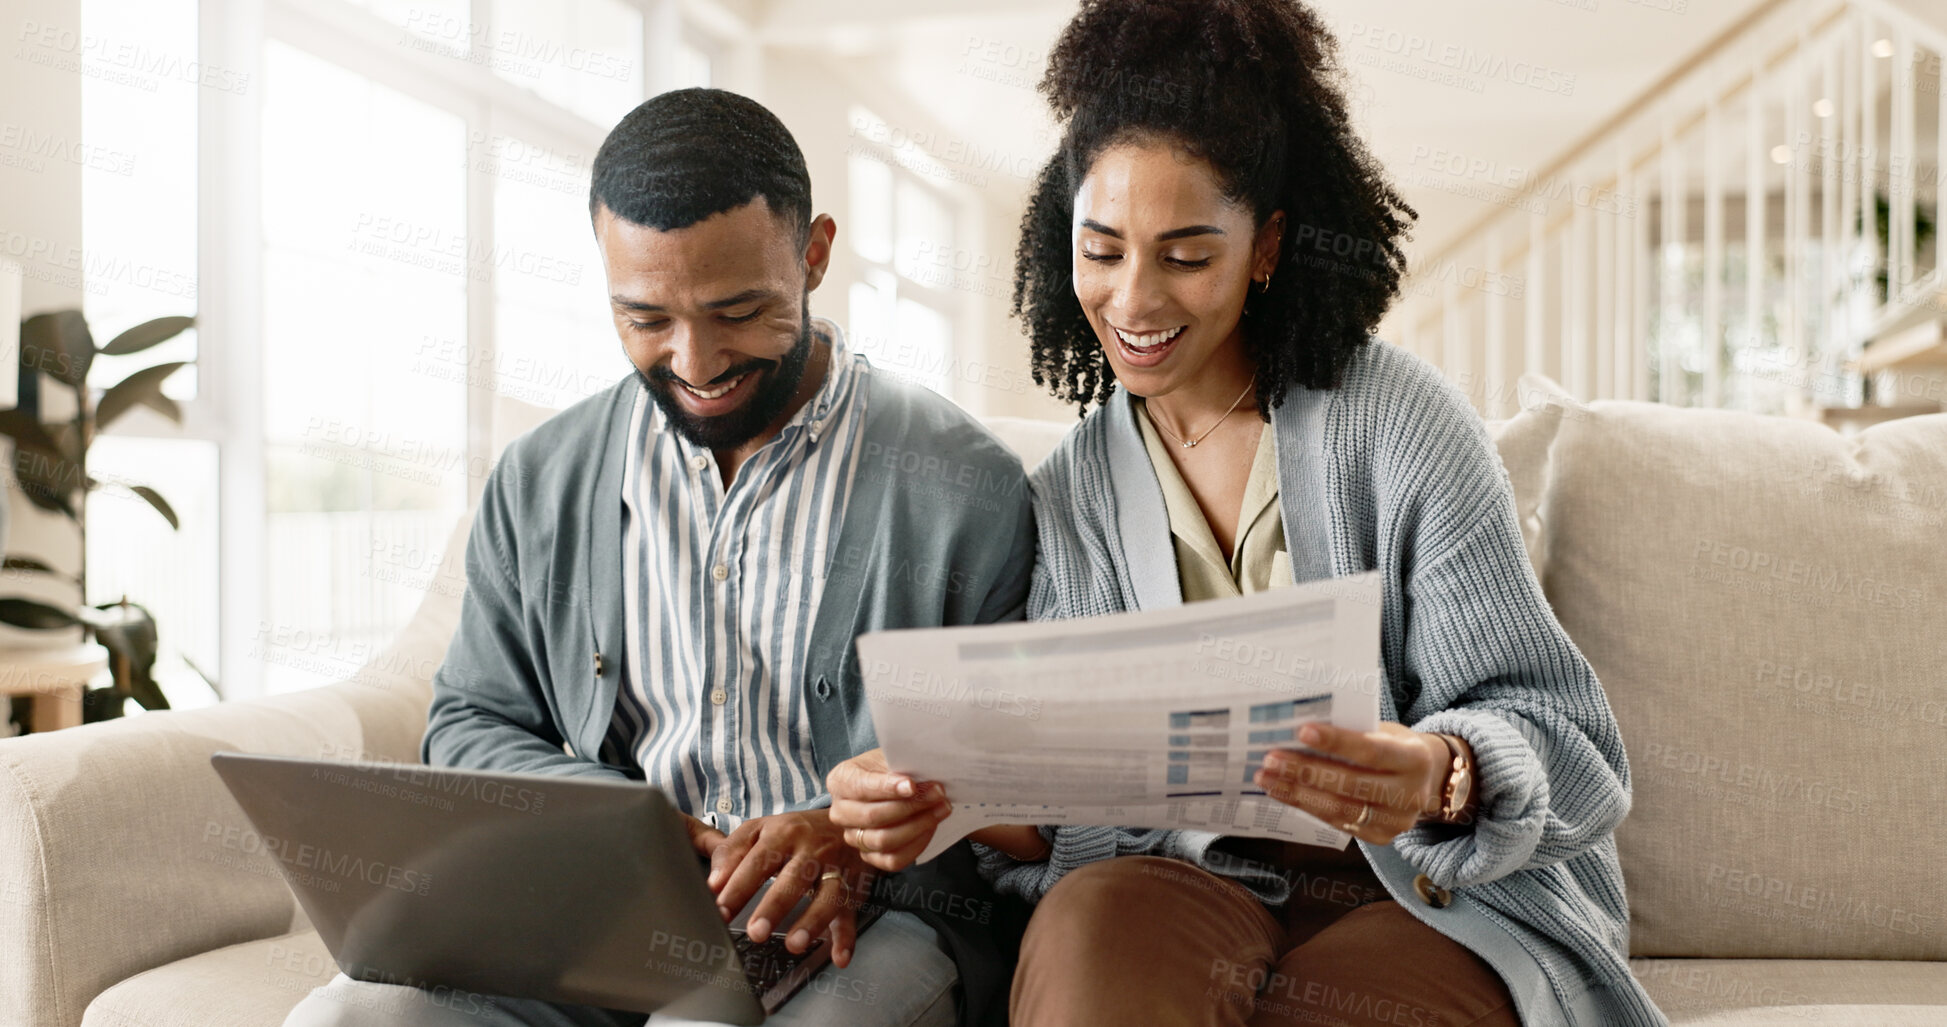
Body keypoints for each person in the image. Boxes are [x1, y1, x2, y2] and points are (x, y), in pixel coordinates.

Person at [825, 2, 1670, 1025]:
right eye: (1102, 250)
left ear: (1265, 245)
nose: (1133, 301)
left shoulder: (1397, 425)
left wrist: (1440, 774)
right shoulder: (1072, 494)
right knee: (1090, 950)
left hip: (1426, 891)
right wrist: (941, 799)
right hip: (1188, 885)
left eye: (1186, 255)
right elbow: (1083, 812)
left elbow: (1565, 737)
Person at [284, 87, 1036, 1027]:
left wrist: (841, 831)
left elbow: (1020, 767)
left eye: (739, 310)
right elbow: (472, 717)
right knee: (350, 1019)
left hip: (865, 918)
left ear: (814, 253)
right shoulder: (539, 477)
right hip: (602, 910)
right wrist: (626, 832)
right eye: (646, 318)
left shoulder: (964, 485)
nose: (696, 361)